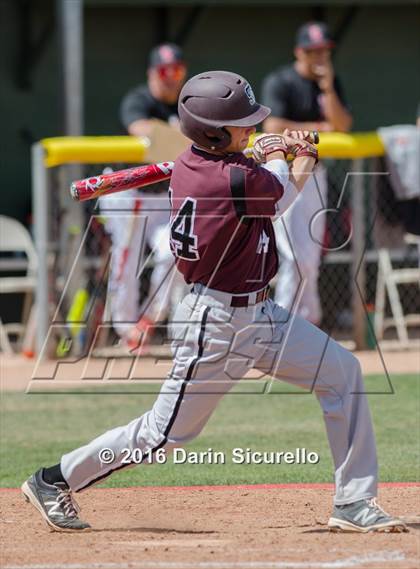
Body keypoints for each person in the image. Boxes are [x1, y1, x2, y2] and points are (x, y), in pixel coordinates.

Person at [22, 71, 406, 534]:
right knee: (163, 436)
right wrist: (302, 150)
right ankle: (53, 479)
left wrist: (263, 151)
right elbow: (284, 191)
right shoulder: (230, 179)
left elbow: (253, 170)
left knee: (343, 373)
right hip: (217, 323)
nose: (250, 128)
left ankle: (353, 502)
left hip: (262, 316)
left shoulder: (196, 163)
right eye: (241, 124)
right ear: (214, 132)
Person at [262, 22, 353, 325]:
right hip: (286, 175)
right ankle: (283, 323)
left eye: (324, 51)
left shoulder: (328, 83)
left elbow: (342, 125)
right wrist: (318, 129)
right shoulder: (281, 81)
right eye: (313, 51)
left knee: (311, 258)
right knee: (294, 256)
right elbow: (271, 127)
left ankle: (306, 320)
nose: (319, 57)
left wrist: (328, 88)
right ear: (299, 52)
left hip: (316, 175)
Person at [101, 43, 188, 352]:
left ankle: (149, 319)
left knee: (174, 252)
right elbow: (141, 128)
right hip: (128, 192)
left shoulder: (186, 103)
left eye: (175, 70)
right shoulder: (139, 99)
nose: (170, 77)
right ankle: (126, 330)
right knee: (126, 260)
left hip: (163, 195)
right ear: (153, 73)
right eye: (164, 71)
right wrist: (182, 135)